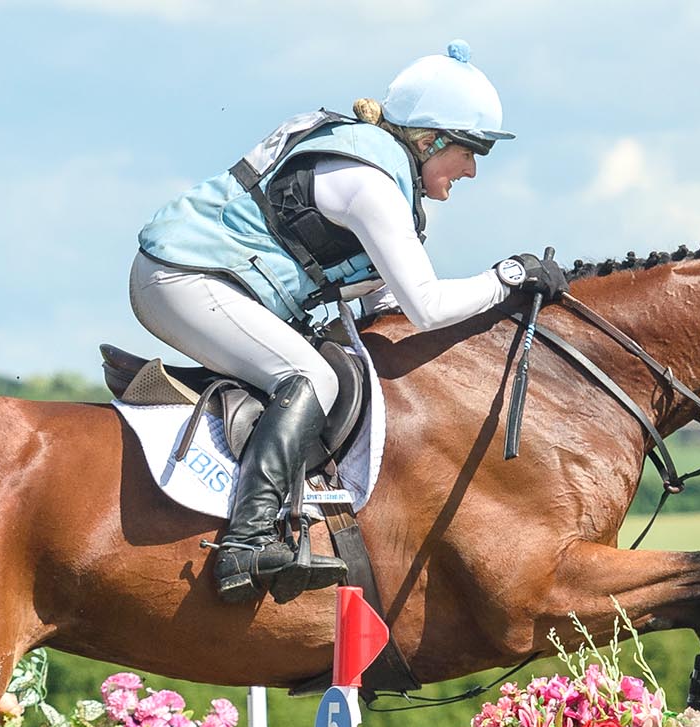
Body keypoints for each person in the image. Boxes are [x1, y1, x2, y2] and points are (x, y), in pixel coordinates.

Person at [132, 40, 570, 604]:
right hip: (181, 276)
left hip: (207, 280)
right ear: (430, 139)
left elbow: (386, 307)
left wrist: (501, 300)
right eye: (469, 150)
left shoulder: (386, 179)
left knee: (326, 372)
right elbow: (427, 306)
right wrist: (508, 276)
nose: (473, 170)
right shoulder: (370, 184)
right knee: (312, 378)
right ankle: (246, 543)